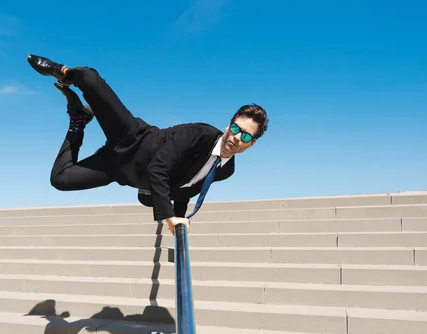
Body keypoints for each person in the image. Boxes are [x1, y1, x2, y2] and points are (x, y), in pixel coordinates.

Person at [26, 54, 269, 235]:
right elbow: (159, 168)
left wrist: (180, 219)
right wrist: (169, 217)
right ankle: (64, 72)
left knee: (60, 179)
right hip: (133, 138)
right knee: (89, 79)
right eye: (236, 128)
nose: (237, 136)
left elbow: (187, 184)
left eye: (246, 136)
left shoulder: (226, 169)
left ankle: (78, 120)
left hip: (118, 169)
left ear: (252, 144)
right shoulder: (200, 134)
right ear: (229, 126)